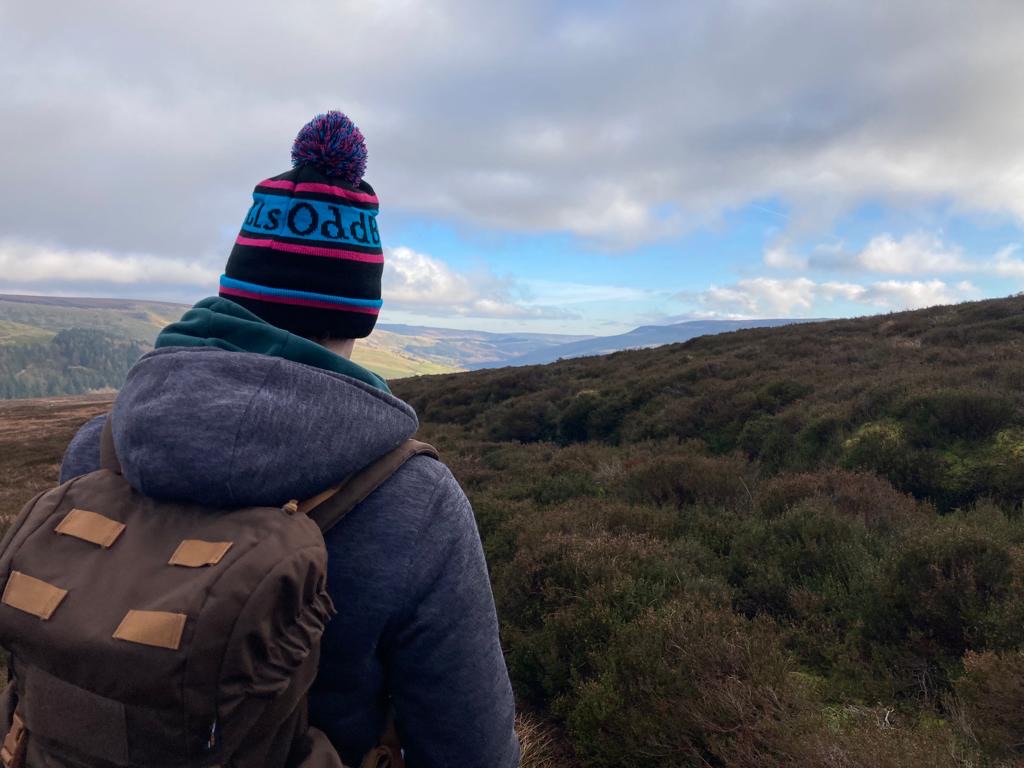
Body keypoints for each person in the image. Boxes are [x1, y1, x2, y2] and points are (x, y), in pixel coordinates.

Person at [58, 112, 521, 768]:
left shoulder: (96, 455)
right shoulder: (417, 504)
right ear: (360, 312)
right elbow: (473, 749)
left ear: (235, 289)